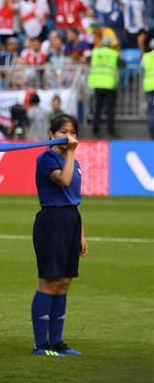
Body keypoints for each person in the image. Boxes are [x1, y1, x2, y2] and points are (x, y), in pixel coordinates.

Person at [30, 114, 86, 358]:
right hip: (52, 221)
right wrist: (71, 153)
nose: (68, 136)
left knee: (64, 283)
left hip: (71, 221)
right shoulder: (46, 158)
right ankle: (41, 344)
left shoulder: (74, 161)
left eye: (72, 132)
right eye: (63, 131)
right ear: (52, 134)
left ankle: (57, 341)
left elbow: (75, 199)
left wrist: (81, 233)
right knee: (49, 281)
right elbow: (63, 181)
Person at [87, 37, 120, 138]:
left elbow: (89, 61)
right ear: (110, 44)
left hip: (97, 85)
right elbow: (122, 64)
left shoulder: (95, 53)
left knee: (97, 110)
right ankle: (111, 133)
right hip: (110, 85)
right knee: (110, 111)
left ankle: (95, 132)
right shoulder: (114, 54)